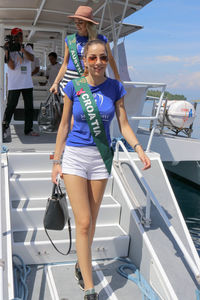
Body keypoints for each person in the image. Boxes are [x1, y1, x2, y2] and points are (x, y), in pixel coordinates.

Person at [51, 39, 151, 300]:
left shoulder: (116, 88)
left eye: (103, 58)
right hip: (74, 157)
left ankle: (79, 264)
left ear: (107, 60)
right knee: (83, 221)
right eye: (93, 58)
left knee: (92, 221)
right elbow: (63, 127)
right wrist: (56, 161)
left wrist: (138, 148)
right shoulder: (74, 87)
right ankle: (89, 286)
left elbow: (124, 124)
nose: (98, 63)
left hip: (101, 159)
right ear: (85, 60)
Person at [50, 5, 120, 96]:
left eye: (80, 22)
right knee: (68, 109)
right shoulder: (70, 40)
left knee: (90, 109)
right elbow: (65, 64)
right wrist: (55, 83)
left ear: (88, 23)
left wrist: (118, 78)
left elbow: (110, 59)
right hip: (69, 80)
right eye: (76, 22)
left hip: (91, 80)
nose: (77, 25)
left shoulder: (101, 39)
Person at [2, 28, 39, 138]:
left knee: (29, 108)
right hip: (14, 85)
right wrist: (7, 51)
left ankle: (28, 129)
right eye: (16, 36)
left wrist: (22, 50)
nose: (19, 38)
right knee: (11, 107)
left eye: (20, 35)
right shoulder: (10, 50)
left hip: (27, 83)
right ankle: (4, 128)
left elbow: (32, 58)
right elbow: (12, 67)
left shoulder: (27, 47)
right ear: (13, 38)